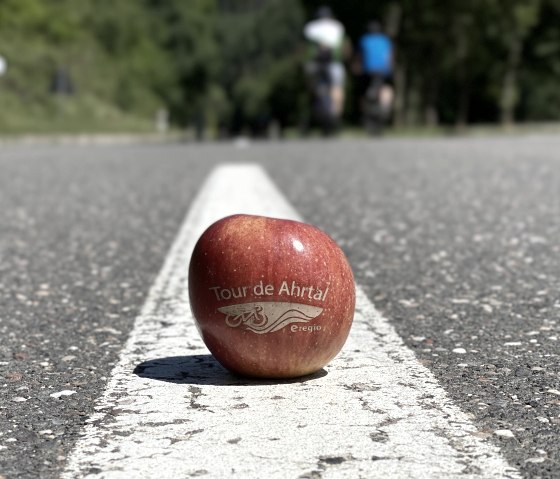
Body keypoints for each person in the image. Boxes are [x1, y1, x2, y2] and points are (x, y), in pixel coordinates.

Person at [303, 6, 350, 124]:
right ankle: (337, 113)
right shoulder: (338, 27)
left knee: (308, 81)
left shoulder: (310, 27)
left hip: (314, 63)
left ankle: (313, 96)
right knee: (337, 86)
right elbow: (345, 46)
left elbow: (304, 47)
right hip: (334, 62)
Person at [357, 21, 395, 132]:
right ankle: (385, 106)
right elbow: (390, 57)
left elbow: (360, 57)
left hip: (368, 71)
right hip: (383, 71)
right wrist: (390, 69)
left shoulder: (364, 40)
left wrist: (357, 68)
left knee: (362, 92)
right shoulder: (385, 40)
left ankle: (364, 114)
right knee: (387, 88)